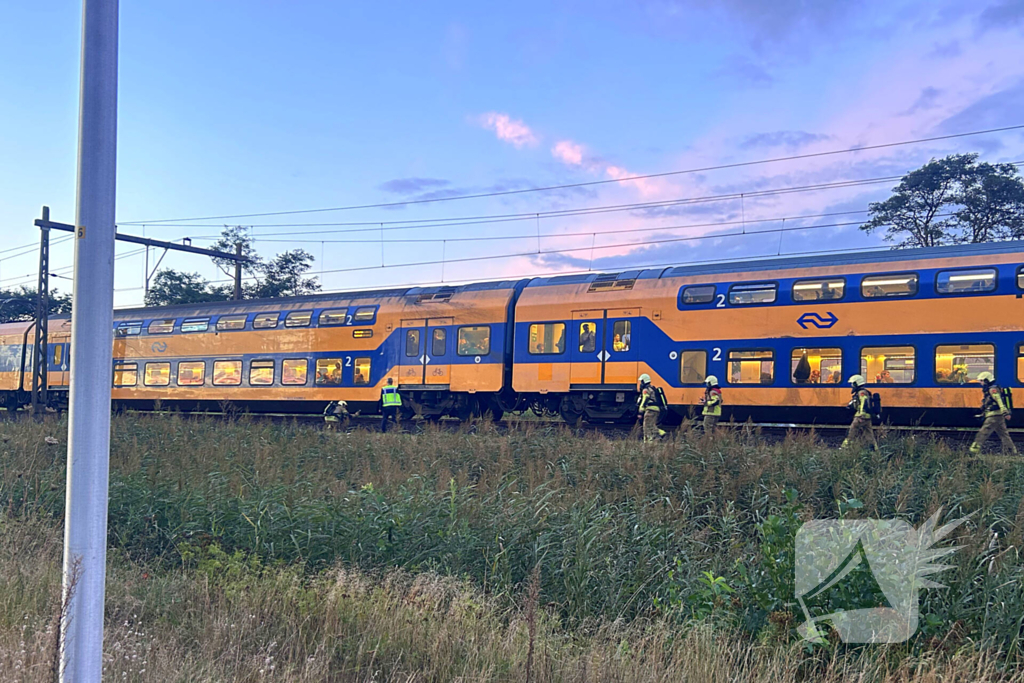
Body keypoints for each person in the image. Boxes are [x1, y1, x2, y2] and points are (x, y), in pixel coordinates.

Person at [970, 372, 1018, 456]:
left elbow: (999, 401)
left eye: (981, 381)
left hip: (994, 416)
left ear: (986, 380)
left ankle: (974, 450)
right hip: (997, 415)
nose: (981, 383)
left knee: (983, 432)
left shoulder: (992, 390)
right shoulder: (990, 389)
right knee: (1004, 434)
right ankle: (1012, 451)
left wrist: (1005, 412)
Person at [841, 375, 878, 451]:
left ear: (856, 383)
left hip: (860, 416)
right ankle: (874, 448)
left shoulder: (861, 392)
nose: (852, 386)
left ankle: (845, 447)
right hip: (867, 416)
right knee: (869, 433)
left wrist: (861, 415)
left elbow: (863, 404)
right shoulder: (863, 391)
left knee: (851, 431)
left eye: (853, 384)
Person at [636, 373, 666, 442]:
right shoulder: (652, 388)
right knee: (651, 425)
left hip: (650, 410)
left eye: (641, 381)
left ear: (644, 381)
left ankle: (649, 440)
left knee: (646, 426)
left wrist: (640, 411)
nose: (641, 383)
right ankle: (659, 435)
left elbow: (644, 400)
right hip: (656, 410)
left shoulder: (645, 390)